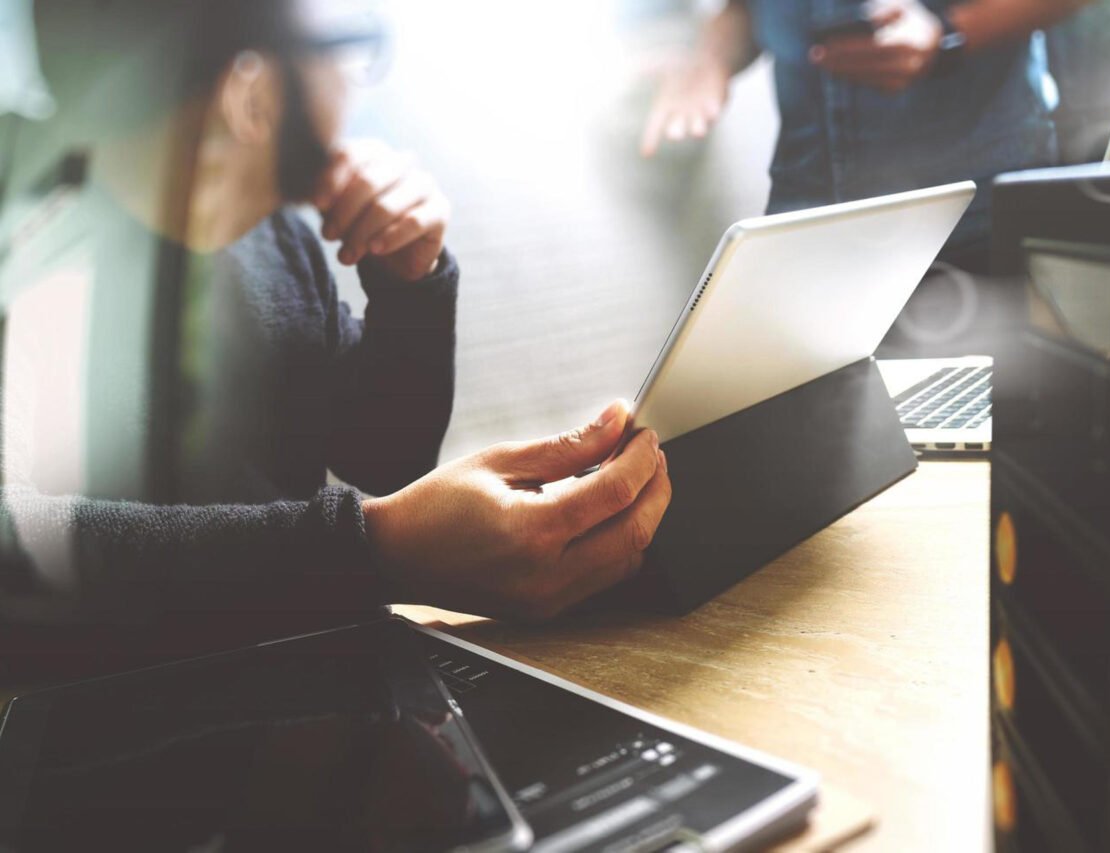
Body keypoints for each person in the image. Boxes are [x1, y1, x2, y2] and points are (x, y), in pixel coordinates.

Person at [0, 0, 671, 677]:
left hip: (296, 701)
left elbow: (385, 458)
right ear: (253, 93)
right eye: (352, 46)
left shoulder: (273, 237)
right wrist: (372, 550)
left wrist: (409, 285)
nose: (357, 84)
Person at [642, 0, 1091, 270]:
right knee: (813, 424)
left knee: (951, 422)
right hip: (802, 217)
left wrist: (950, 36)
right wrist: (709, 58)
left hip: (968, 211)